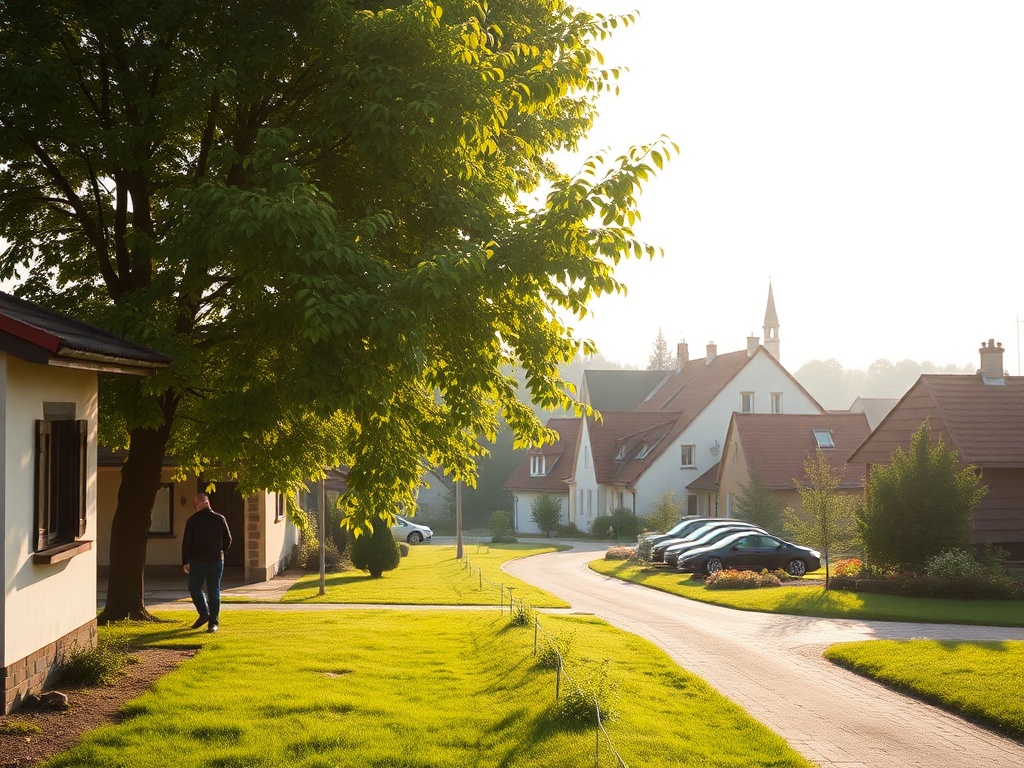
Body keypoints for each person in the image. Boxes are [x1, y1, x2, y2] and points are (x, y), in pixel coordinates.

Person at [181, 493, 232, 633]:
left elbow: (187, 542)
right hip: (215, 560)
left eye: (196, 504)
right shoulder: (219, 519)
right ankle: (212, 622)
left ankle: (204, 614)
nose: (195, 507)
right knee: (213, 591)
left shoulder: (192, 520)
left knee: (194, 588)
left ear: (205, 503)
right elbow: (228, 539)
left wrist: (185, 561)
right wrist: (222, 551)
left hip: (198, 561)